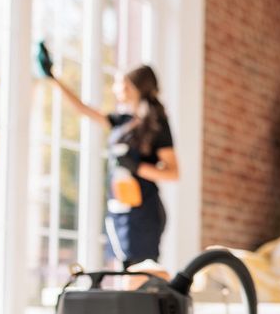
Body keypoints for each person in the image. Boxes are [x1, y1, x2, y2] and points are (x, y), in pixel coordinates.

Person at [36, 42, 178, 269]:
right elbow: (83, 109)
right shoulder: (121, 122)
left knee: (139, 277)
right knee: (124, 276)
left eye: (121, 83)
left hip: (142, 212)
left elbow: (173, 172)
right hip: (120, 209)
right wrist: (53, 78)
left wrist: (137, 167)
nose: (116, 88)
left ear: (136, 87)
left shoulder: (156, 125)